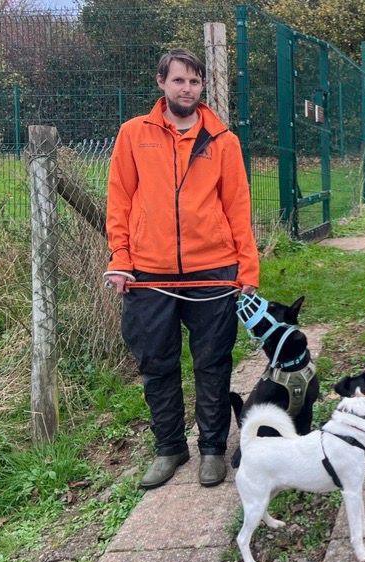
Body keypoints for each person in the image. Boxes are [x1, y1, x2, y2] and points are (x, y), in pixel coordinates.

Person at [103, 49, 260, 490]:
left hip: (212, 269)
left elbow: (238, 209)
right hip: (148, 274)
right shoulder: (134, 134)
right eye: (178, 81)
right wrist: (121, 259)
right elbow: (120, 201)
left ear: (202, 87)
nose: (186, 89)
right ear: (161, 83)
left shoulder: (222, 139)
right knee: (156, 363)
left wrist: (246, 273)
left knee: (212, 361)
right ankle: (169, 447)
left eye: (193, 82)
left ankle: (212, 447)